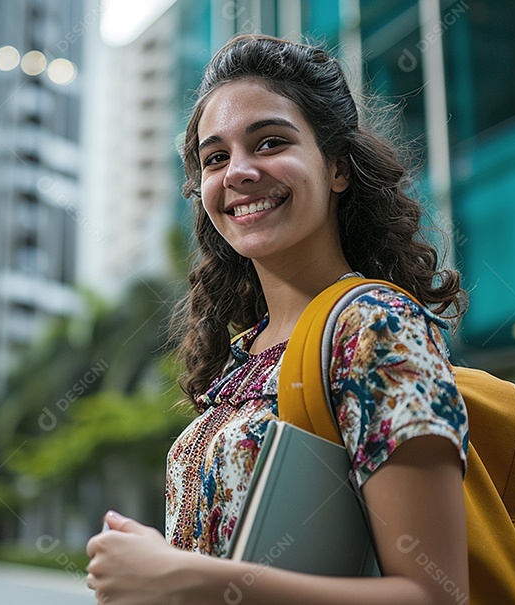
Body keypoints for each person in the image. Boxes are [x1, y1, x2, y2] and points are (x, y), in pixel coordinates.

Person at [85, 34, 470, 605]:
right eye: (216, 157)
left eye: (269, 142)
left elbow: (436, 596)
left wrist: (182, 578)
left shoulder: (374, 328)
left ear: (337, 167)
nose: (238, 172)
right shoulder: (245, 353)